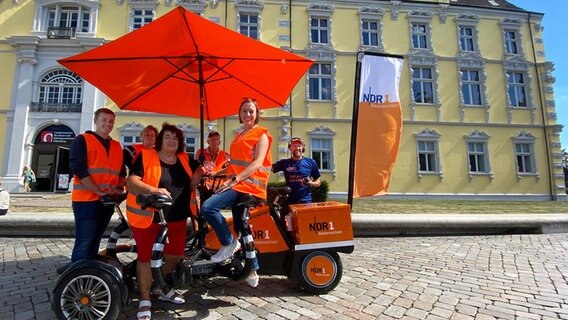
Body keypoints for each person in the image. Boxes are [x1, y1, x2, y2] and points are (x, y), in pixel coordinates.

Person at [126, 123, 203, 320]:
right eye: (168, 136)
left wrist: (197, 174)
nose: (171, 140)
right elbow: (131, 181)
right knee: (145, 258)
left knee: (174, 257)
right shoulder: (146, 155)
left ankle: (162, 288)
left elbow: (200, 167)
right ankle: (145, 299)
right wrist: (153, 190)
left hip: (177, 220)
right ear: (161, 140)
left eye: (176, 138)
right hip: (149, 219)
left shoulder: (184, 158)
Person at [200, 98, 272, 288]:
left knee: (208, 207)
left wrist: (235, 180)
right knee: (241, 225)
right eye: (244, 111)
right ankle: (253, 268)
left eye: (251, 111)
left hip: (249, 186)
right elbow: (234, 165)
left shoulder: (261, 134)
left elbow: (257, 163)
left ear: (257, 114)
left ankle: (228, 243)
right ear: (239, 114)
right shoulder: (239, 135)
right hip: (239, 184)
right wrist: (217, 173)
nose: (247, 115)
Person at [69, 108, 126, 264]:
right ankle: (77, 275)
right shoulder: (82, 140)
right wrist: (98, 191)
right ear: (95, 121)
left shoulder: (116, 145)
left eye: (111, 121)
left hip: (107, 201)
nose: (108, 124)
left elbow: (121, 172)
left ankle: (89, 272)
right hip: (86, 200)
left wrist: (119, 189)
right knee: (84, 242)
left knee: (95, 241)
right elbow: (79, 169)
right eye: (104, 120)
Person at [272, 137, 321, 207]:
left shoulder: (310, 162)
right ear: (290, 148)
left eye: (299, 146)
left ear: (302, 148)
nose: (297, 148)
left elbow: (318, 181)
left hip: (305, 201)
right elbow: (269, 168)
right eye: (294, 146)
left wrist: (312, 183)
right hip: (289, 201)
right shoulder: (285, 163)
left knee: (304, 218)